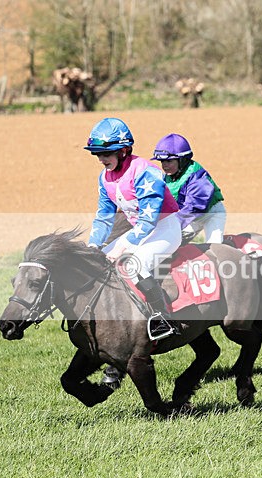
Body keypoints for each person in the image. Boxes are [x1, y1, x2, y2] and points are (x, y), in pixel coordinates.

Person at [85, 117, 182, 342]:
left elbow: (149, 220)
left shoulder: (146, 171)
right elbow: (104, 216)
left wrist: (123, 247)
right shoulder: (105, 177)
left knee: (133, 265)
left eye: (105, 154)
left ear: (124, 151)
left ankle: (164, 319)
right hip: (140, 229)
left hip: (164, 229)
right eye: (97, 154)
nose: (101, 159)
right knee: (98, 261)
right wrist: (94, 245)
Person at [151, 133, 226, 244]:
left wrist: (172, 225)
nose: (165, 165)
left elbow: (194, 207)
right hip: (189, 217)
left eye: (169, 161)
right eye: (162, 161)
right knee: (170, 243)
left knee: (214, 246)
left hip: (211, 214)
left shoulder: (197, 177)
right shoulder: (168, 177)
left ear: (182, 160)